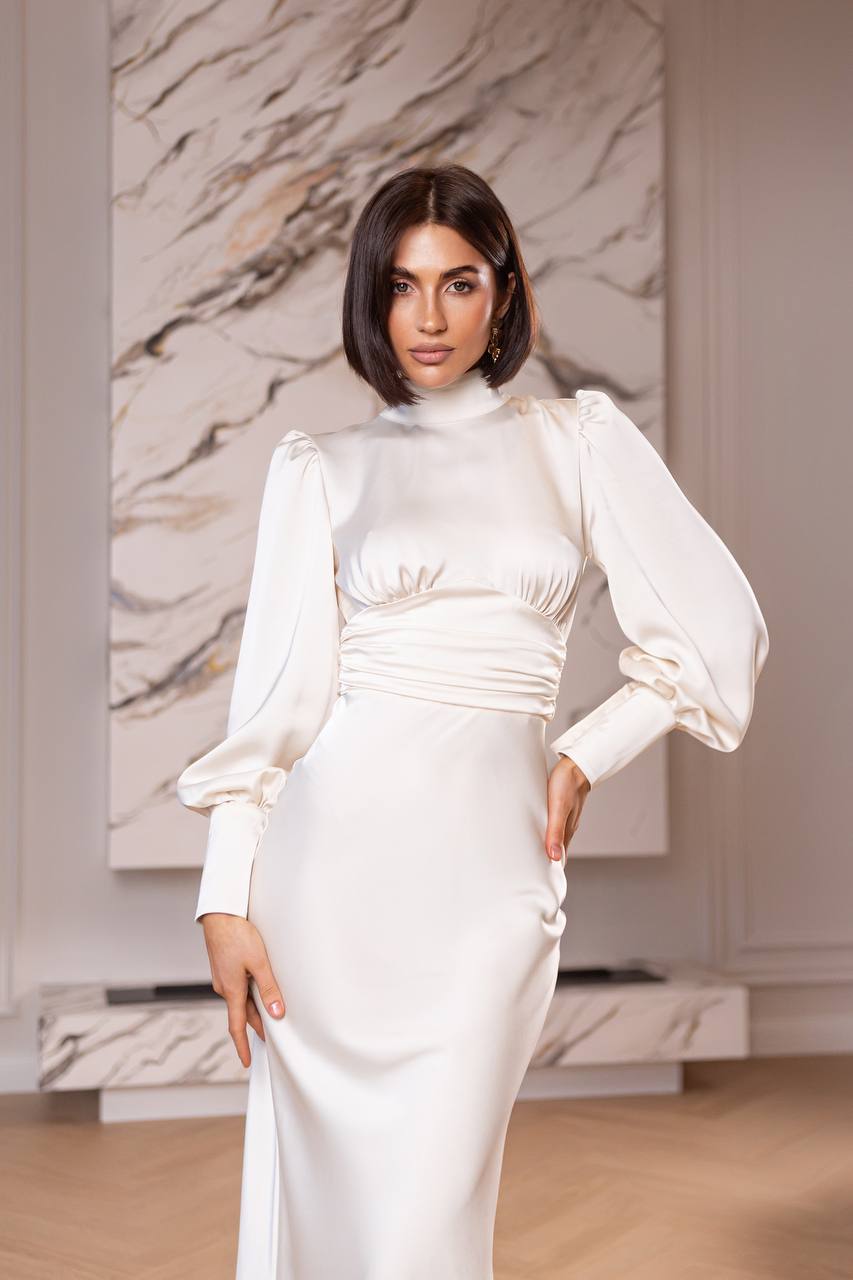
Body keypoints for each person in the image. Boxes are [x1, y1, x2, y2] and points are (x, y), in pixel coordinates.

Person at [176, 163, 769, 1280]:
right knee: (341, 1210)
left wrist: (591, 750)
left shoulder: (574, 443)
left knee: (434, 1213)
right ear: (373, 299)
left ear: (502, 291)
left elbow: (720, 634)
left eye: (457, 283)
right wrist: (223, 900)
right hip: (328, 891)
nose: (430, 317)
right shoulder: (323, 467)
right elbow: (274, 709)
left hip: (490, 889)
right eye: (403, 288)